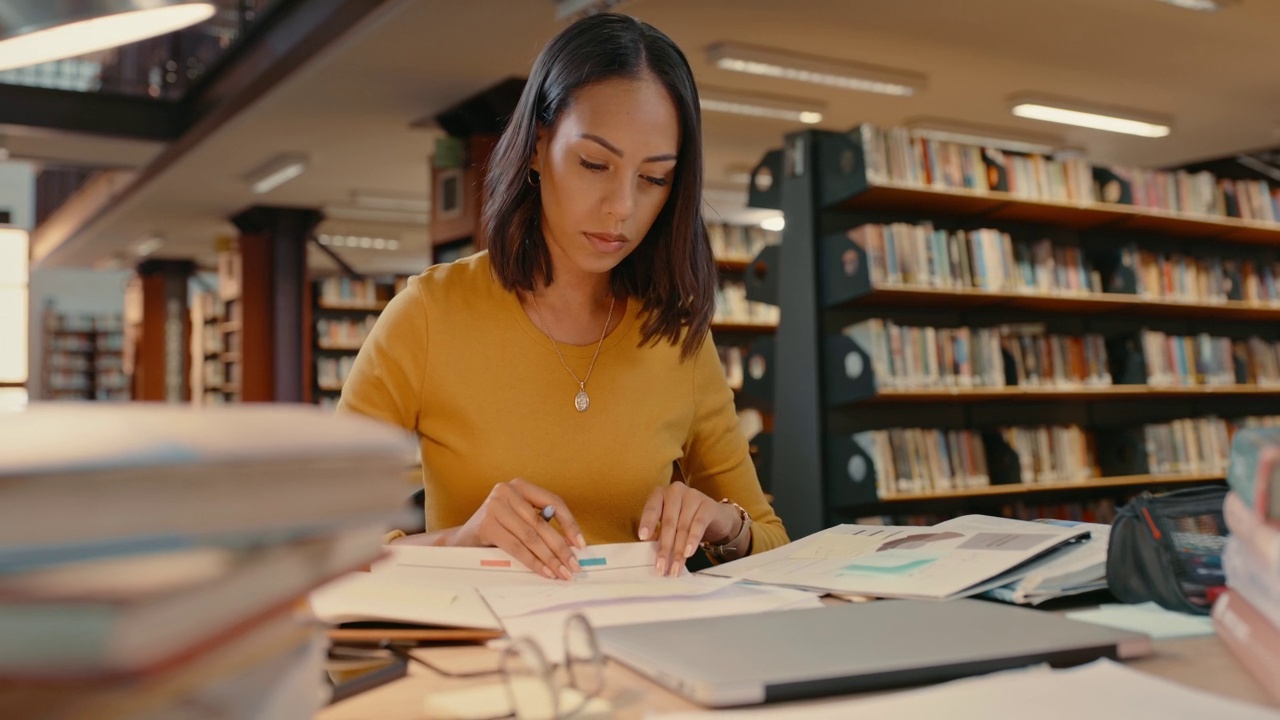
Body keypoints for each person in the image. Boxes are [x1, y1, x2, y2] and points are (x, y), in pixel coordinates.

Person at [337, 12, 788, 580]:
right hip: (483, 658)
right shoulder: (430, 315)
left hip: (644, 651)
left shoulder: (676, 335)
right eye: (594, 164)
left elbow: (774, 541)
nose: (622, 207)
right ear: (535, 145)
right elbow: (317, 537)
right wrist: (460, 542)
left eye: (654, 178)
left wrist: (724, 525)